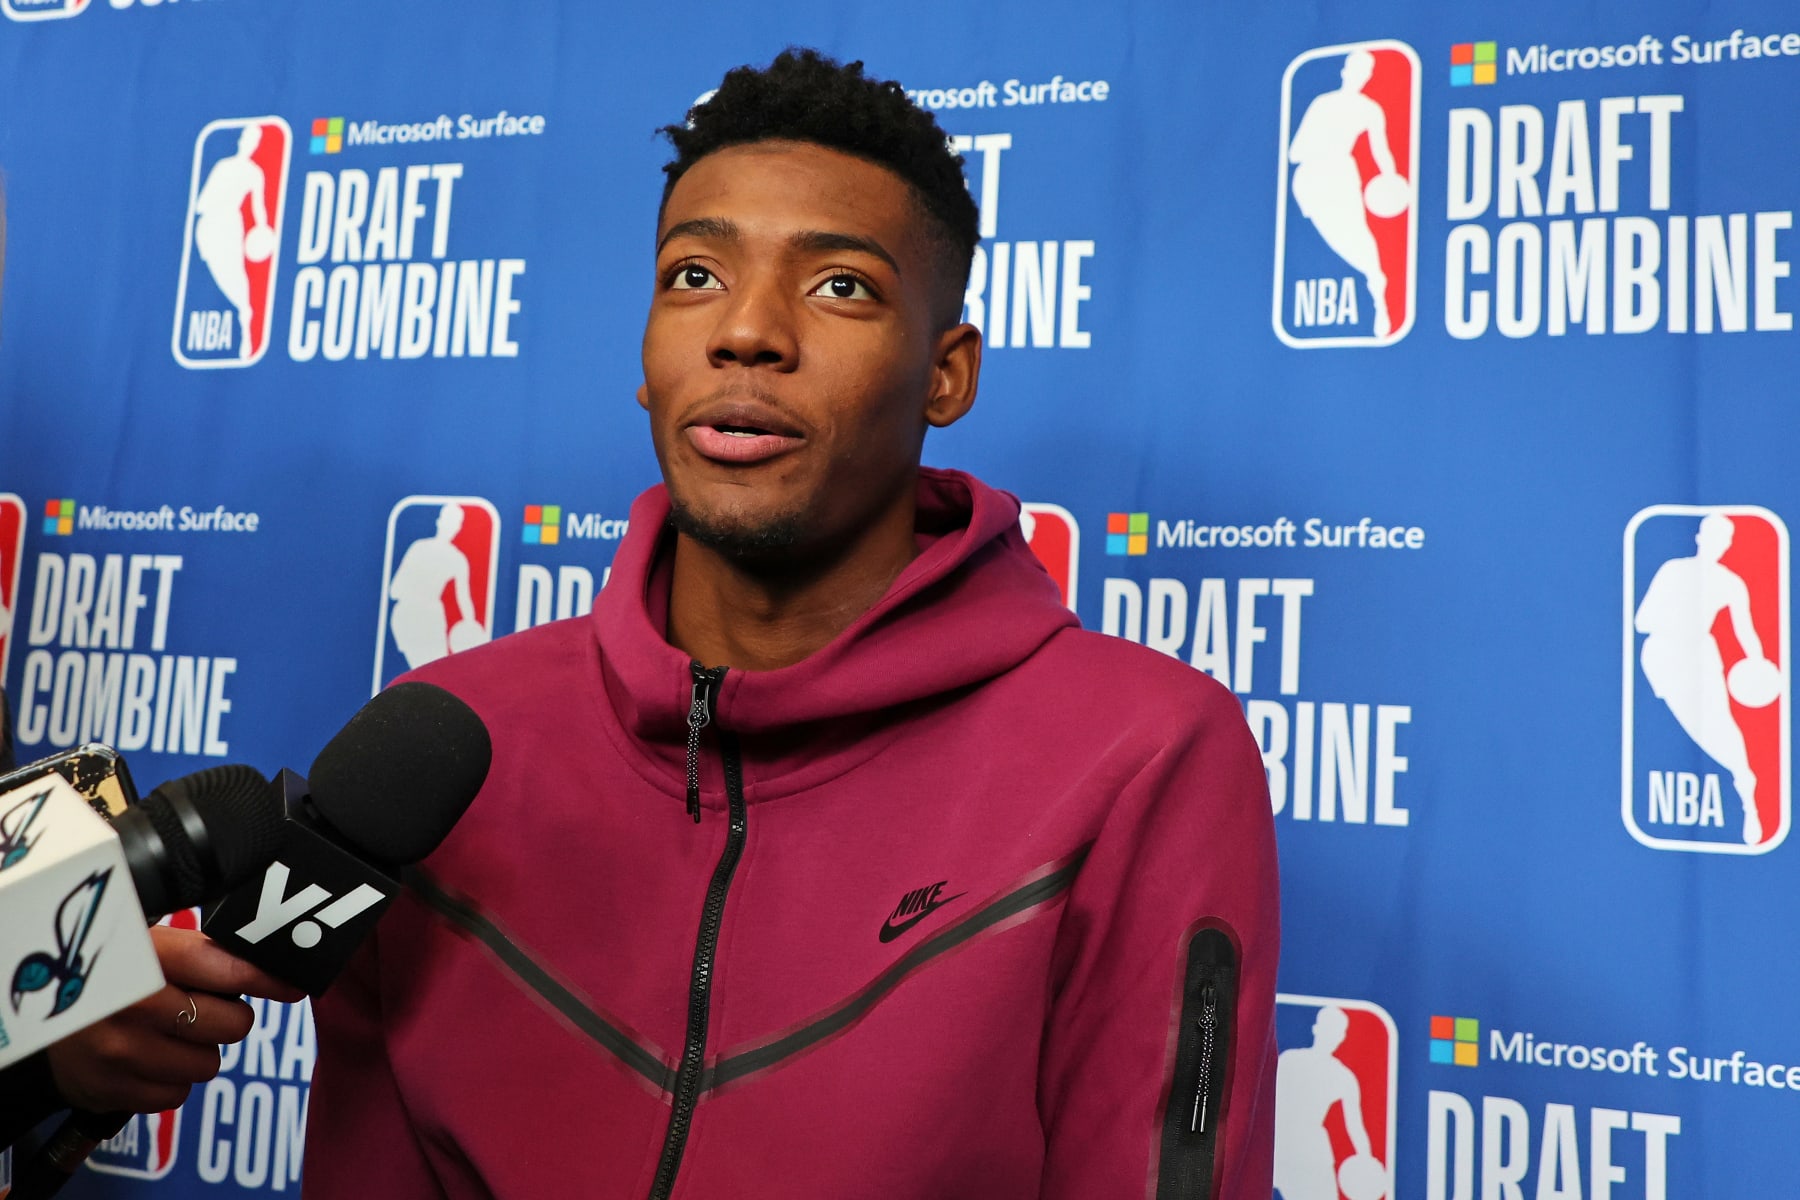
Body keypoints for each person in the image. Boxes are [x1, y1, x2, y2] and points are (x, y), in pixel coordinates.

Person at [305, 49, 1279, 1198]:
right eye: (695, 275)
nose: (748, 332)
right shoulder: (447, 743)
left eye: (841, 287)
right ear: (646, 354)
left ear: (947, 375)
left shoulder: (1141, 755)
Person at [1635, 512, 1769, 844]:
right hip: (1661, 658)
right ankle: (1740, 778)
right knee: (1687, 727)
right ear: (1699, 538)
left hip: (1702, 657)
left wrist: (1758, 663)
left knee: (1721, 724)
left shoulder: (1731, 583)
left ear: (1728, 545)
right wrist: (1675, 619)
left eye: (1724, 540)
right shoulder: (1672, 571)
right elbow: (1641, 621)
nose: (1717, 545)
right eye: (1712, 537)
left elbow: (1746, 632)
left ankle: (1747, 790)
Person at [1287, 50, 1397, 337]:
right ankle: (1375, 278)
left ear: (1368, 76)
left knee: (1357, 233)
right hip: (1311, 179)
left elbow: (1381, 151)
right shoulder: (1322, 103)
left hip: (1341, 176)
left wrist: (1391, 178)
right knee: (1336, 238)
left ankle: (1378, 289)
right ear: (1345, 71)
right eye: (1355, 69)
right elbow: (1294, 151)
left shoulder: (1370, 109)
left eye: (1364, 71)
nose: (1359, 75)